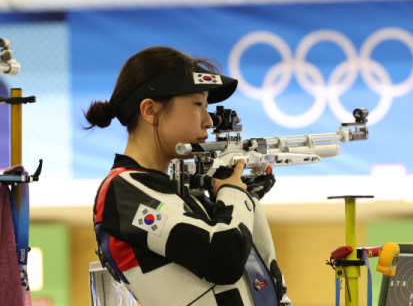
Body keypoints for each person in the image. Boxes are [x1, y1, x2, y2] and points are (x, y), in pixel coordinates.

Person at [86, 46, 282, 306]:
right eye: (197, 104)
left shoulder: (175, 191)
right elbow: (224, 257)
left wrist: (244, 199)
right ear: (150, 111)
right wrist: (233, 193)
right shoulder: (121, 191)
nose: (209, 121)